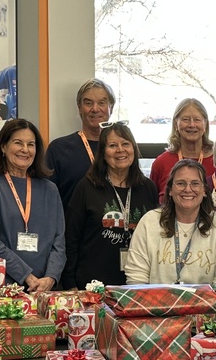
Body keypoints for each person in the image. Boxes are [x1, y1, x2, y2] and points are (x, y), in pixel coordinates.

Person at [0, 119, 65, 293]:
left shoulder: (49, 189)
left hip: (44, 289)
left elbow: (59, 241)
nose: (25, 149)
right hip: (2, 288)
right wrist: (27, 277)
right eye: (18, 143)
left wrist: (51, 277)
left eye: (31, 144)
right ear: (3, 147)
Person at [62, 122, 158, 288]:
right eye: (113, 145)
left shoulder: (147, 188)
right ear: (103, 153)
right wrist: (70, 283)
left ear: (133, 149)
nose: (120, 150)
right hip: (93, 284)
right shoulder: (86, 187)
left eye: (125, 144)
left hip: (138, 283)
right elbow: (71, 238)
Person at [126, 159, 216, 286]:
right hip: (155, 304)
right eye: (180, 183)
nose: (188, 189)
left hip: (206, 305)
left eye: (195, 183)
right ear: (170, 190)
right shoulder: (149, 222)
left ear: (204, 191)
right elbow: (136, 278)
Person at [46, 78, 116, 208]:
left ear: (111, 108)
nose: (95, 109)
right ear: (79, 108)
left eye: (101, 103)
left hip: (113, 224)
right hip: (71, 227)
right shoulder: (59, 149)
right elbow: (47, 200)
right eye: (88, 103)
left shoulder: (122, 151)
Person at [149, 98, 216, 201]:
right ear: (176, 123)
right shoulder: (161, 163)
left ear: (205, 124)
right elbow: (151, 204)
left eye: (197, 120)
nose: (192, 125)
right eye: (185, 119)